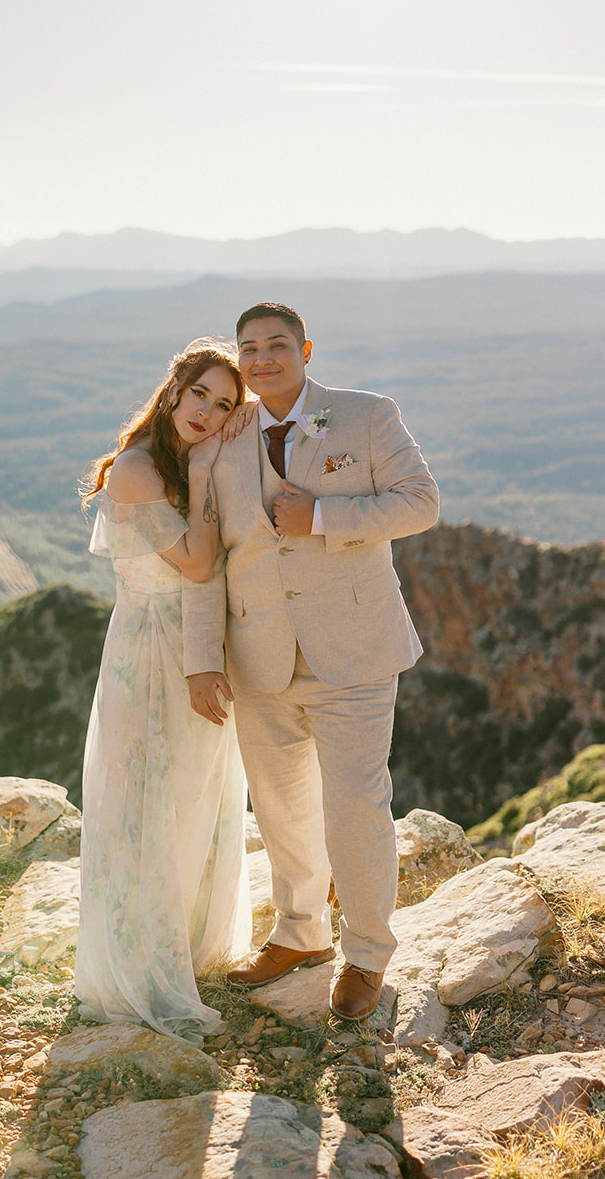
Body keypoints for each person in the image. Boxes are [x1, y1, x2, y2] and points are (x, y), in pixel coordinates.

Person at [183, 302, 439, 1022]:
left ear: (304, 350)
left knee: (356, 806)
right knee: (280, 809)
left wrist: (321, 518)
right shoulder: (220, 442)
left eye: (276, 345)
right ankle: (299, 935)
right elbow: (208, 563)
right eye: (249, 349)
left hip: (353, 651)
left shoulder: (363, 416)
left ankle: (365, 955)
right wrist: (202, 659)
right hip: (257, 655)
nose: (262, 358)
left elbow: (420, 503)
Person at [74, 341, 253, 1040]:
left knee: (193, 793)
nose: (207, 412)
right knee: (142, 800)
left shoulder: (180, 460)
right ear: (174, 390)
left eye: (225, 406)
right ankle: (138, 964)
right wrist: (215, 477)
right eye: (200, 395)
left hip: (197, 641)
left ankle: (186, 941)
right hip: (148, 649)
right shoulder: (137, 470)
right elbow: (199, 560)